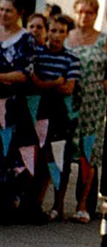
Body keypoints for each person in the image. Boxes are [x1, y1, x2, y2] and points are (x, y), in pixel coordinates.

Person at [65, 0, 107, 222]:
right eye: (80, 12)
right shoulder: (66, 37)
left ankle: (83, 205)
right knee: (62, 150)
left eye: (90, 12)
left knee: (89, 152)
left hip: (93, 100)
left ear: (95, 15)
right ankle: (56, 204)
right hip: (68, 99)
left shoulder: (103, 40)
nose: (84, 16)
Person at [28, 14, 81, 221]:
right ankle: (30, 202)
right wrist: (54, 82)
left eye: (61, 32)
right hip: (38, 109)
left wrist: (44, 83)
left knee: (56, 158)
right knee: (35, 155)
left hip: (59, 113)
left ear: (67, 34)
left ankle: (53, 205)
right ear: (47, 31)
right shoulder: (37, 55)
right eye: (53, 31)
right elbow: (33, 82)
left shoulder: (71, 58)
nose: (56, 36)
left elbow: (68, 88)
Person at [0, 0, 38, 222]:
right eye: (1, 9)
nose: (3, 14)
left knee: (9, 154)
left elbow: (24, 73)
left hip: (11, 106)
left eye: (8, 11)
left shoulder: (26, 39)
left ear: (19, 13)